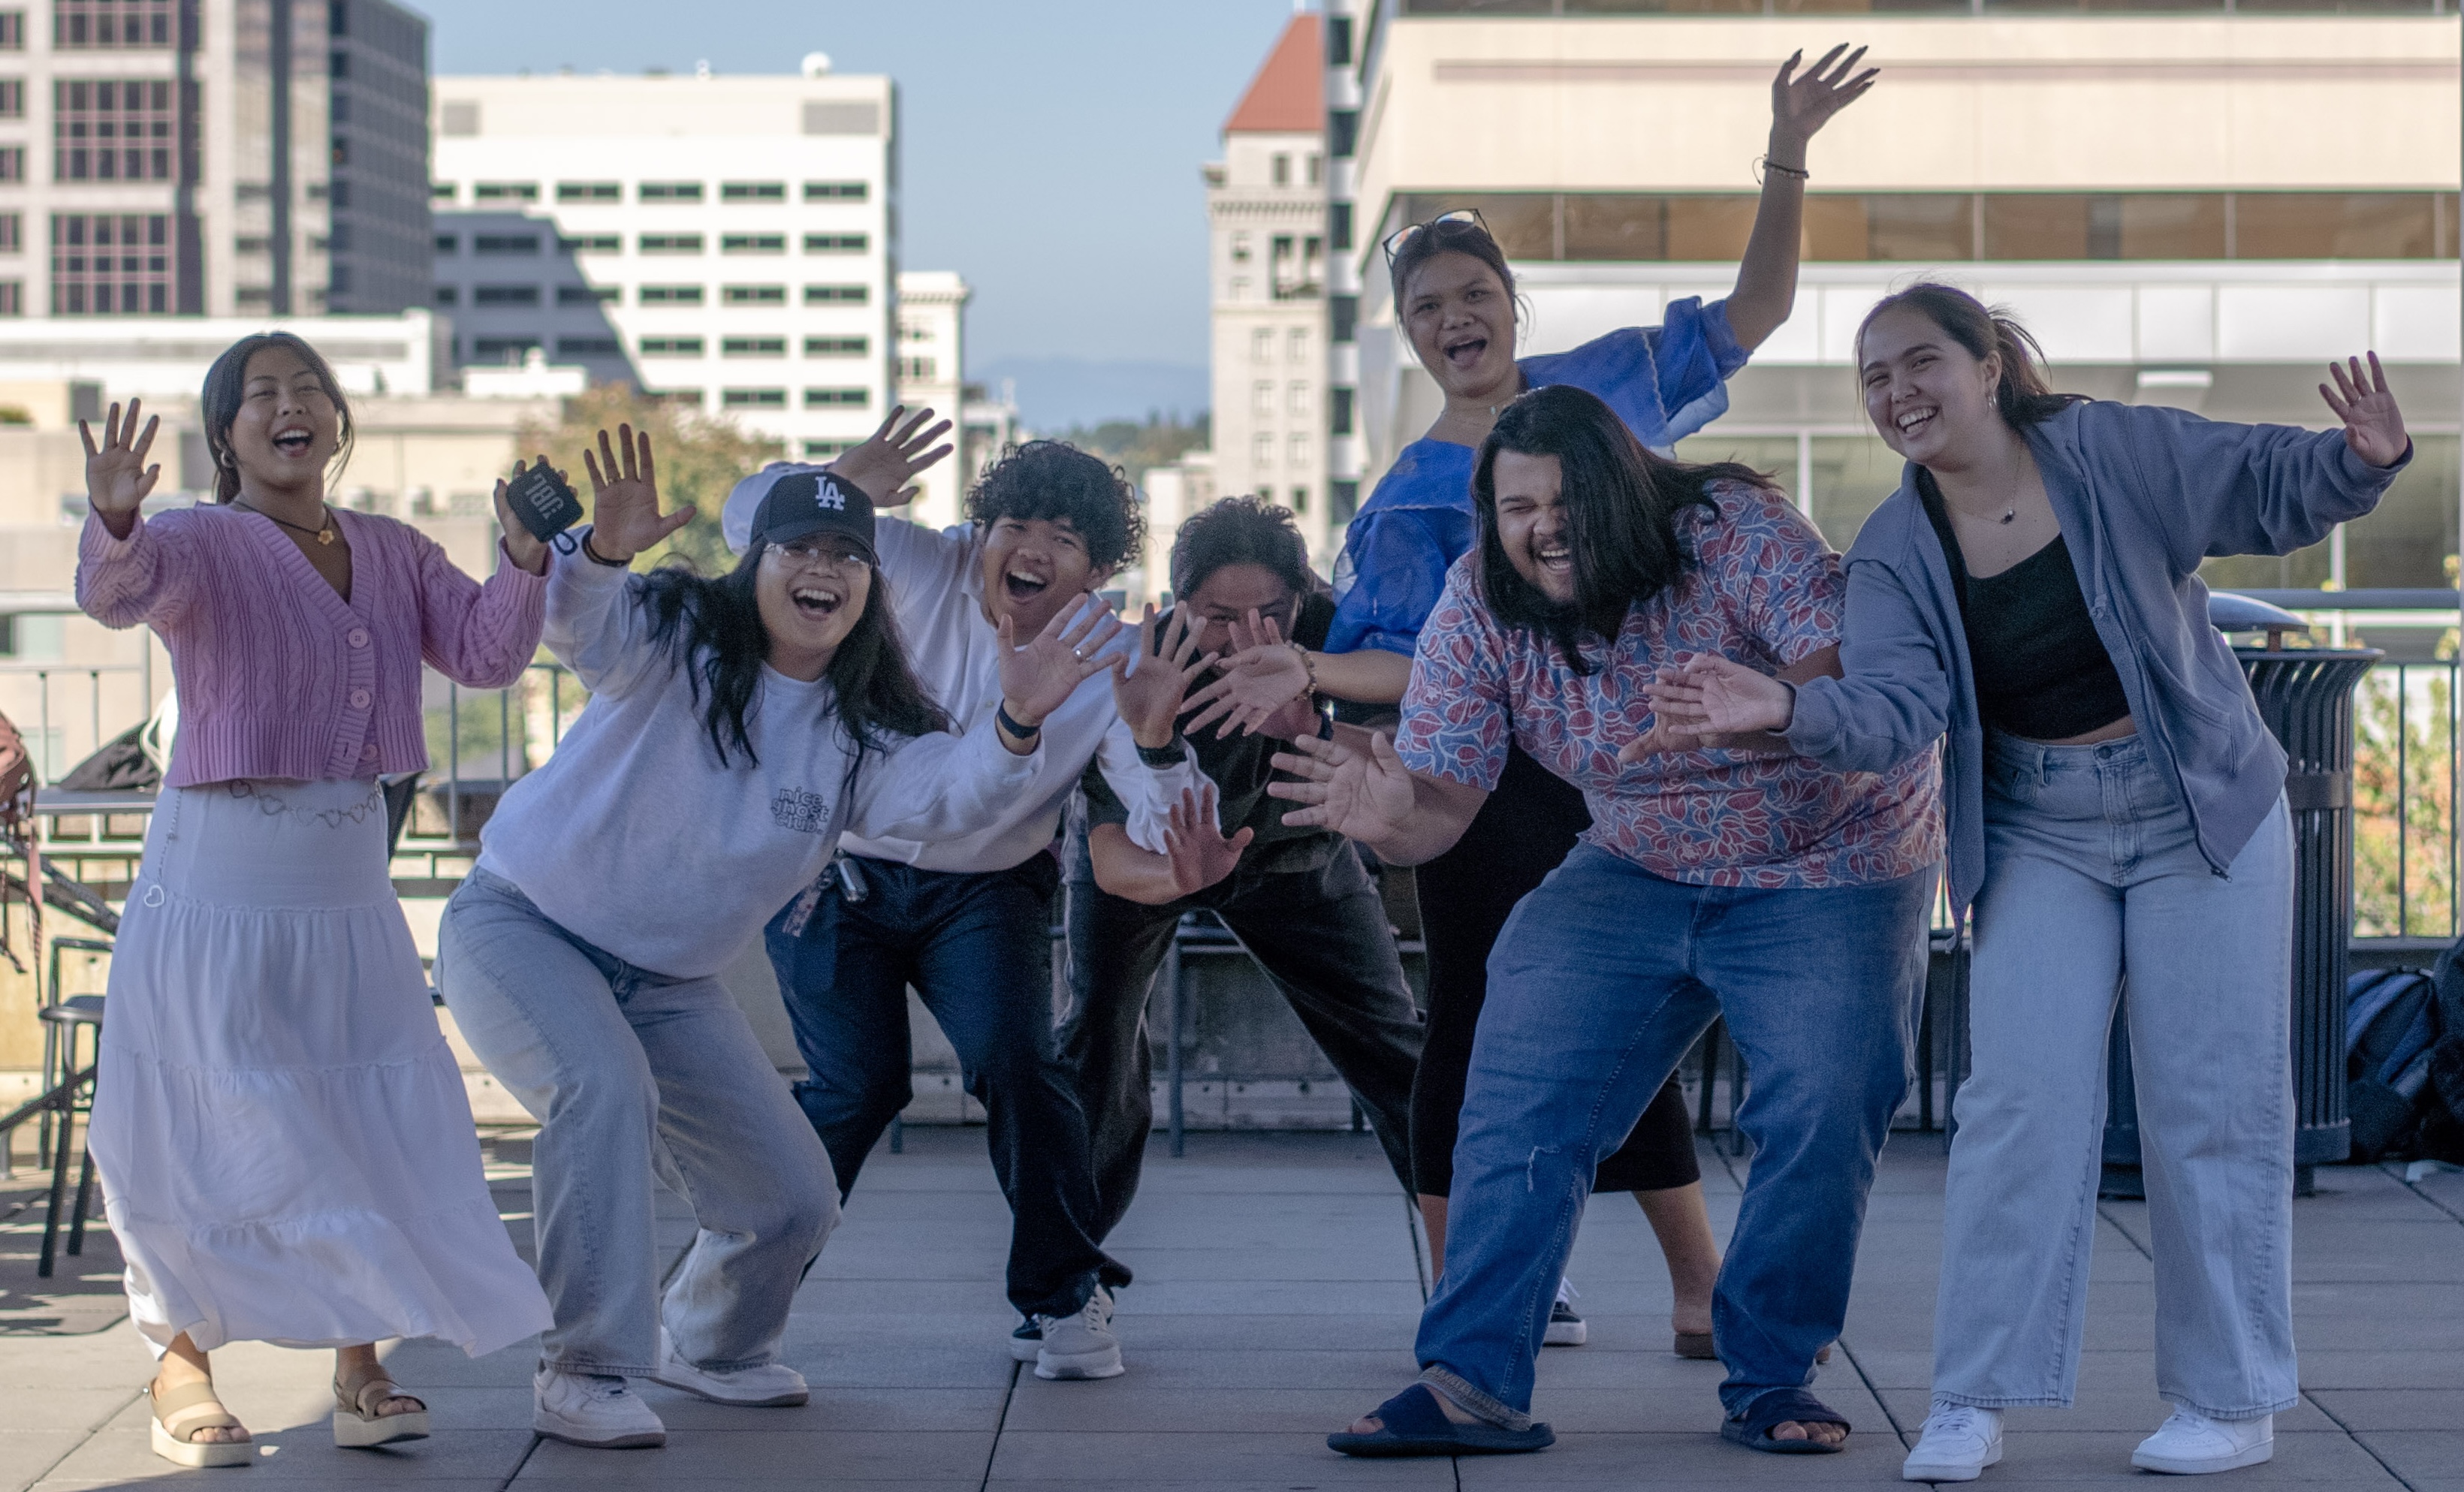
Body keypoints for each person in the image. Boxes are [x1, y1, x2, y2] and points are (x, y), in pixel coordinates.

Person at [1647, 285, 2413, 1481]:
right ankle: (1972, 1396)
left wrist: (2357, 465)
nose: (1897, 392)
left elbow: (2253, 480)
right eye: (1872, 376)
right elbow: (1898, 709)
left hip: (2196, 807)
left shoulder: (2107, 449)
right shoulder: (1897, 545)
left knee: (2207, 1105)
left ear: (1989, 364)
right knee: (2014, 1108)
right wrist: (1786, 705)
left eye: (1919, 362)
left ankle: (2229, 1397)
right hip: (2038, 823)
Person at [1191, 44, 1878, 1352]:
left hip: (1644, 761)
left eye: (1474, 292)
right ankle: (1480, 1289)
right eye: (1427, 307)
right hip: (1486, 781)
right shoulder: (1405, 497)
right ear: (1408, 335)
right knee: (1475, 1011)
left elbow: (1759, 310)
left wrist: (1787, 149)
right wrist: (1318, 670)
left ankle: (1697, 1288)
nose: (1456, 317)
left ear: (1510, 303)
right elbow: (1416, 669)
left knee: (1633, 1015)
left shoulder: (1603, 386)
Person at [1274, 384, 1941, 1458]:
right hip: (1640, 855)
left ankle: (1770, 1372)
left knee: (1822, 1099)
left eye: (1565, 497)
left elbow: (1840, 668)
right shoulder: (1479, 600)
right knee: (1516, 1075)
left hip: (1832, 856)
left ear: (1624, 488)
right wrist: (1389, 817)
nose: (1544, 525)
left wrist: (1764, 708)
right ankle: (1472, 1380)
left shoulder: (1731, 530)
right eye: (1515, 505)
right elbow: (1437, 801)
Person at [436, 415, 1126, 1449]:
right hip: (522, 924)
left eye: (848, 555)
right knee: (601, 1088)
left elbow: (952, 793)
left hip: (670, 981)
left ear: (869, 591)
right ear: (758, 562)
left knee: (794, 1194)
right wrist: (605, 553)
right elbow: (582, 627)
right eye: (801, 546)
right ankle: (582, 1365)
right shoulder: (675, 635)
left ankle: (711, 1341)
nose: (824, 568)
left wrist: (1016, 721)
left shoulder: (860, 730)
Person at [73, 333, 557, 1467]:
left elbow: (486, 654)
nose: (291, 406)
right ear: (225, 436)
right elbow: (116, 593)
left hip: (347, 889)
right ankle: (182, 1360)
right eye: (261, 395)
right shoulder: (193, 540)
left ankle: (359, 1361)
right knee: (217, 1119)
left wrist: (526, 559)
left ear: (338, 420)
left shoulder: (393, 548)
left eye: (310, 389)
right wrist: (115, 518)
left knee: (365, 1123)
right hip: (218, 880)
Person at [730, 439, 1207, 1383]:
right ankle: (734, 1305)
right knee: (855, 1089)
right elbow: (750, 524)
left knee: (1023, 1066)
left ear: (1098, 568)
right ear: (977, 531)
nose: (1028, 549)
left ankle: (1063, 1295)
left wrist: (1155, 744)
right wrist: (843, 485)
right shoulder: (911, 559)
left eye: (1061, 538)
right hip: (837, 871)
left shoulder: (1108, 654)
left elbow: (1157, 811)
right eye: (1012, 527)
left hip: (987, 889)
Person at [1060, 495, 1426, 1244]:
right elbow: (1106, 856)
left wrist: (1313, 721)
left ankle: (1494, 1259)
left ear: (1303, 598)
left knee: (1394, 1050)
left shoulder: (1328, 634)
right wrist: (1176, 862)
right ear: (1177, 604)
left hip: (1291, 853)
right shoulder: (1140, 668)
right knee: (1094, 1045)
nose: (1243, 636)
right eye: (1216, 615)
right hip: (1157, 855)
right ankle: (1065, 1277)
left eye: (1269, 611)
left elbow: (1416, 717)